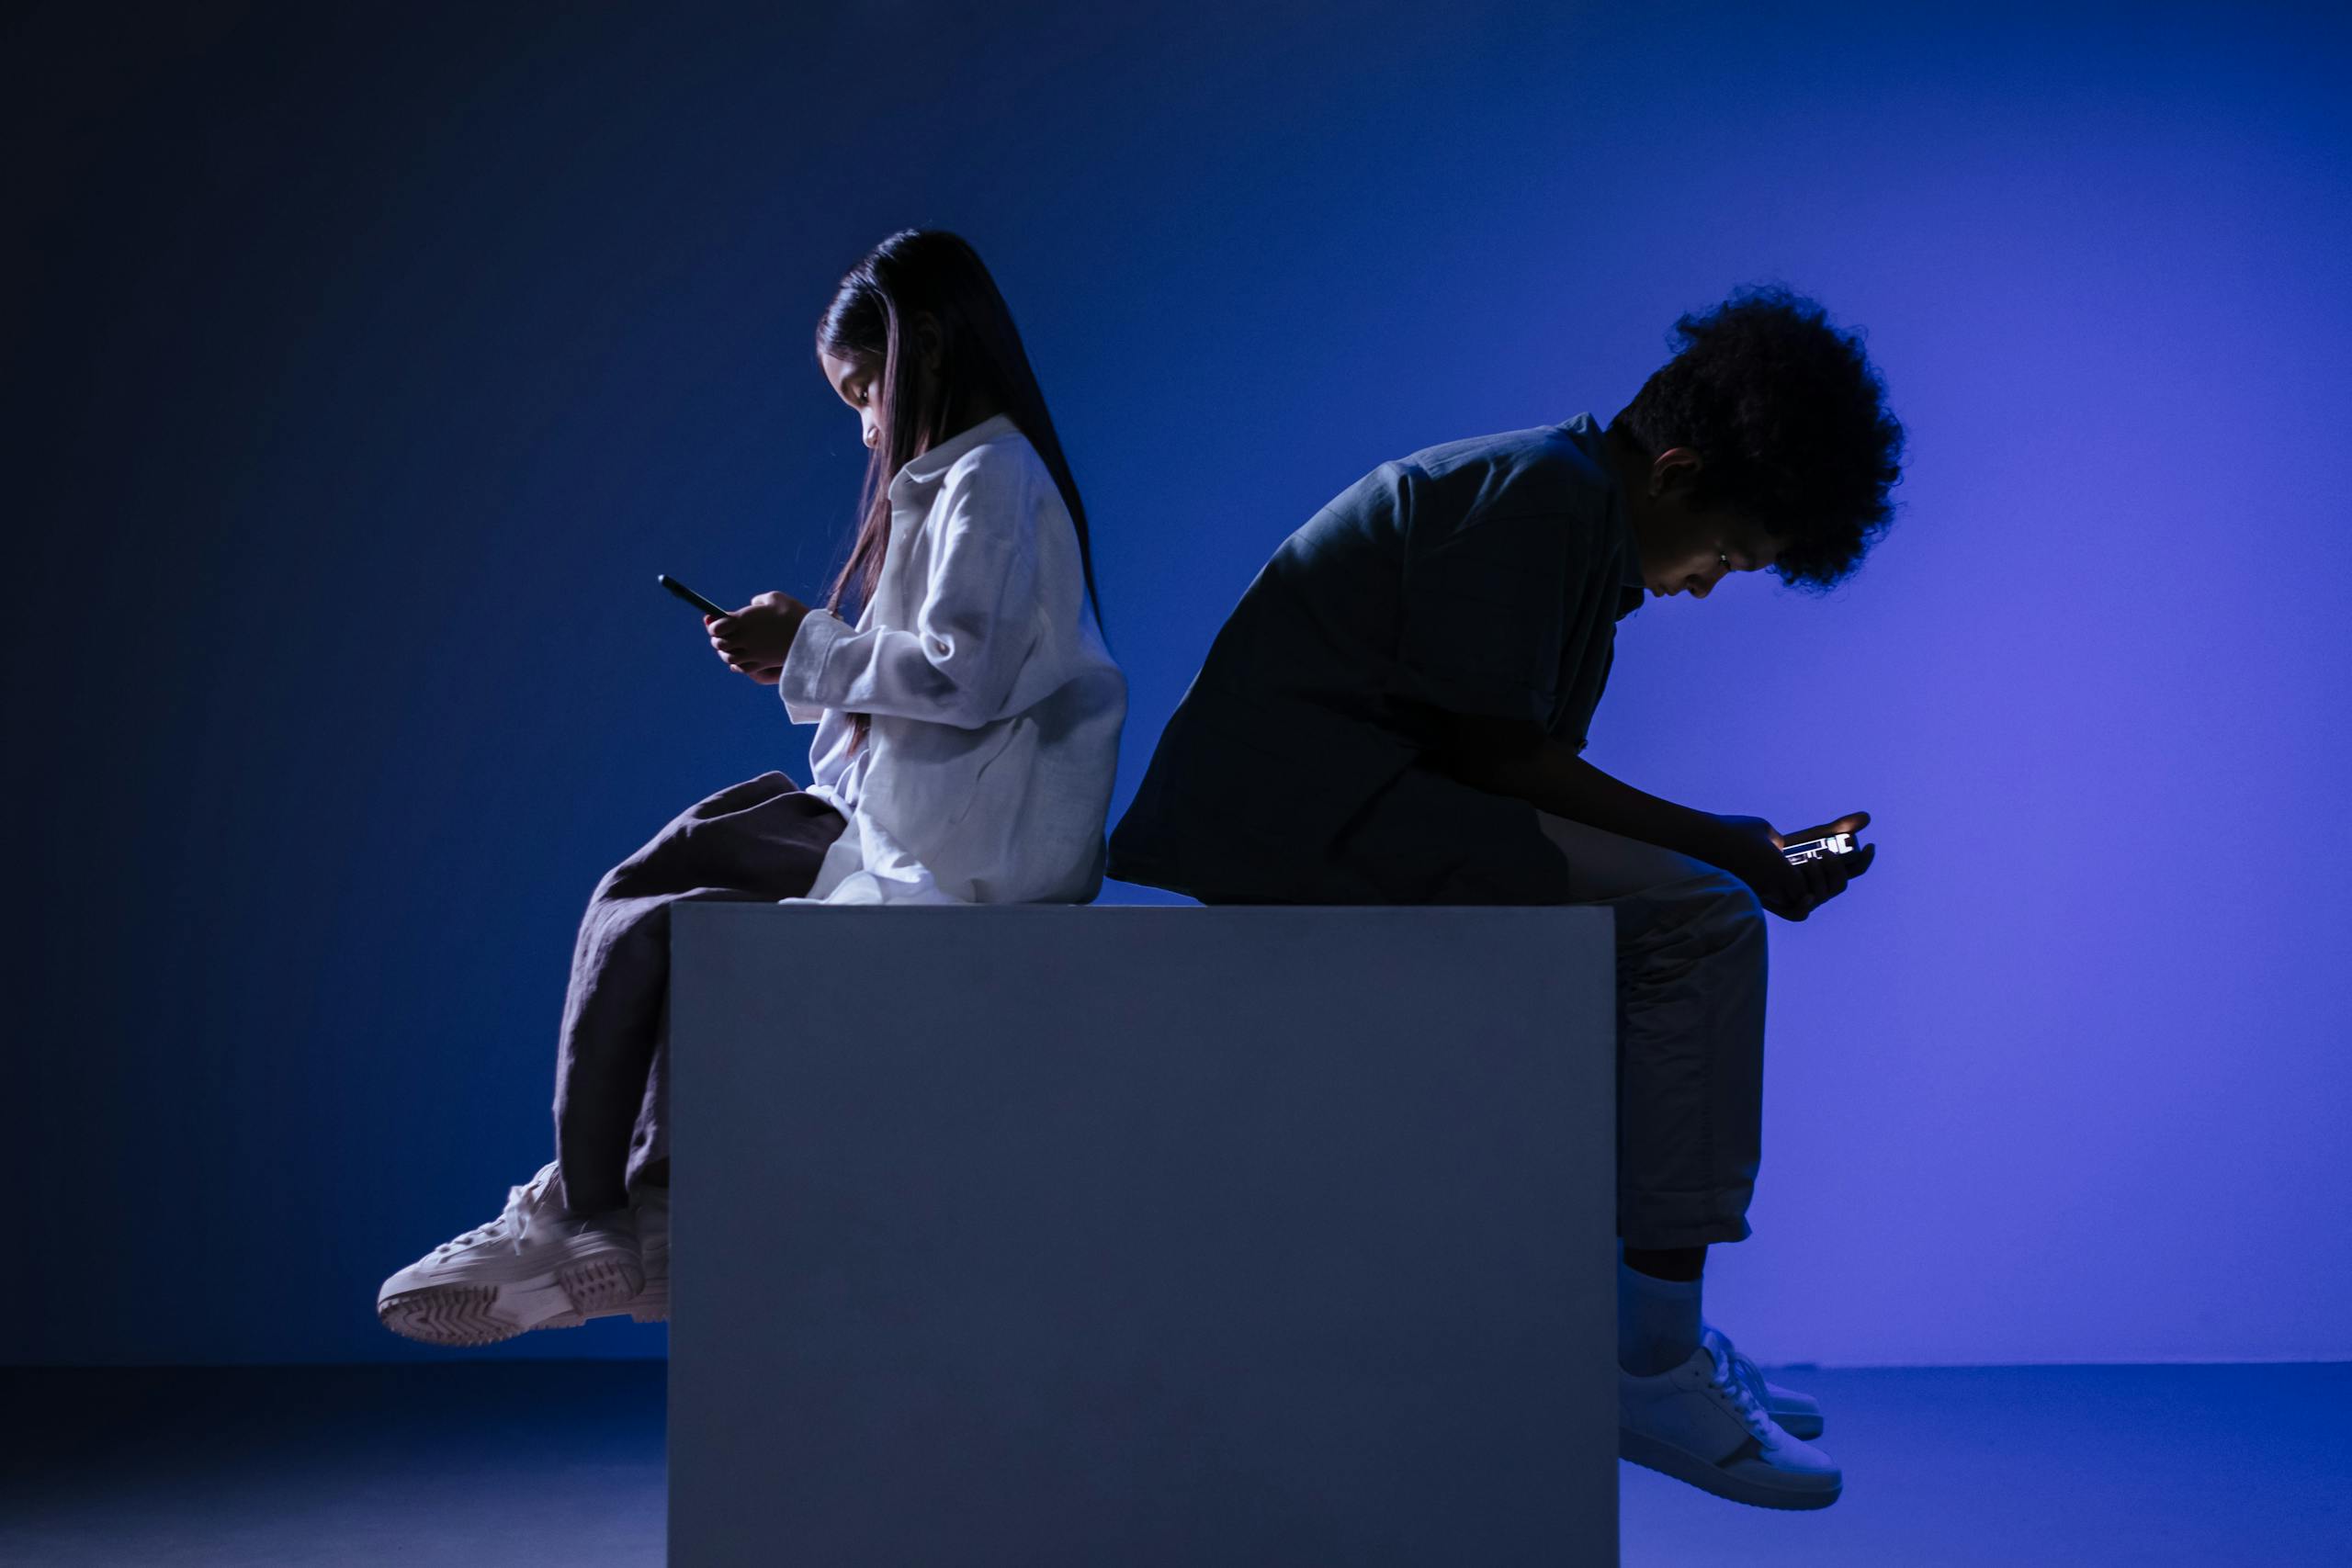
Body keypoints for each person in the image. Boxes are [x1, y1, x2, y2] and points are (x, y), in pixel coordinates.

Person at [1107, 286, 1903, 1510]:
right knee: (1701, 918)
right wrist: (1737, 853)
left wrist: (1742, 846)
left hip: (1363, 802)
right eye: (1726, 556)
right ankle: (1647, 1358)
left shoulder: (1569, 509)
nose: (1705, 587)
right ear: (1678, 470)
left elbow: (1515, 769)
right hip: (1305, 820)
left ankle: (1648, 1335)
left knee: (1686, 906)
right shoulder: (1537, 497)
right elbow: (1502, 762)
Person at [378, 229, 1126, 1346]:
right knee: (657, 887)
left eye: (868, 389)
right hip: (915, 830)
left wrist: (810, 648)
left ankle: (593, 1216)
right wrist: (807, 661)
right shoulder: (958, 484)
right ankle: (612, 1211)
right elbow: (918, 702)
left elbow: (961, 675)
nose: (868, 424)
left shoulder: (992, 480)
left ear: (926, 346)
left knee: (658, 921)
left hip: (962, 857)